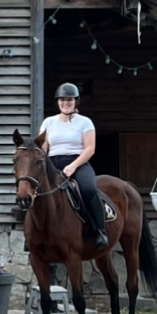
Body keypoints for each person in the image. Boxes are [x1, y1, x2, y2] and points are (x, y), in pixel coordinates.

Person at [37, 82, 108, 249]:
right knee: (33, 187)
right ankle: (31, 233)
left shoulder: (85, 122)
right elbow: (43, 147)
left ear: (76, 101)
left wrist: (73, 166)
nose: (65, 103)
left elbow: (90, 149)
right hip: (52, 162)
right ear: (58, 102)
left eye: (69, 100)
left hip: (78, 161)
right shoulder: (49, 122)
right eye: (62, 100)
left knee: (89, 189)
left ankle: (100, 230)